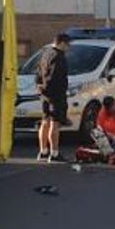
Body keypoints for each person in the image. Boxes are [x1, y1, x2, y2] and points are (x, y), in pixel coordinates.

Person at [35, 32, 71, 162]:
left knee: (45, 122)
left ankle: (43, 151)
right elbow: (56, 77)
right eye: (67, 45)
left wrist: (40, 87)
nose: (68, 48)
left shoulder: (46, 53)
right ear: (61, 43)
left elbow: (38, 72)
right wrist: (53, 90)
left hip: (44, 94)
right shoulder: (58, 56)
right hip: (55, 94)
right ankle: (54, 153)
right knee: (55, 124)